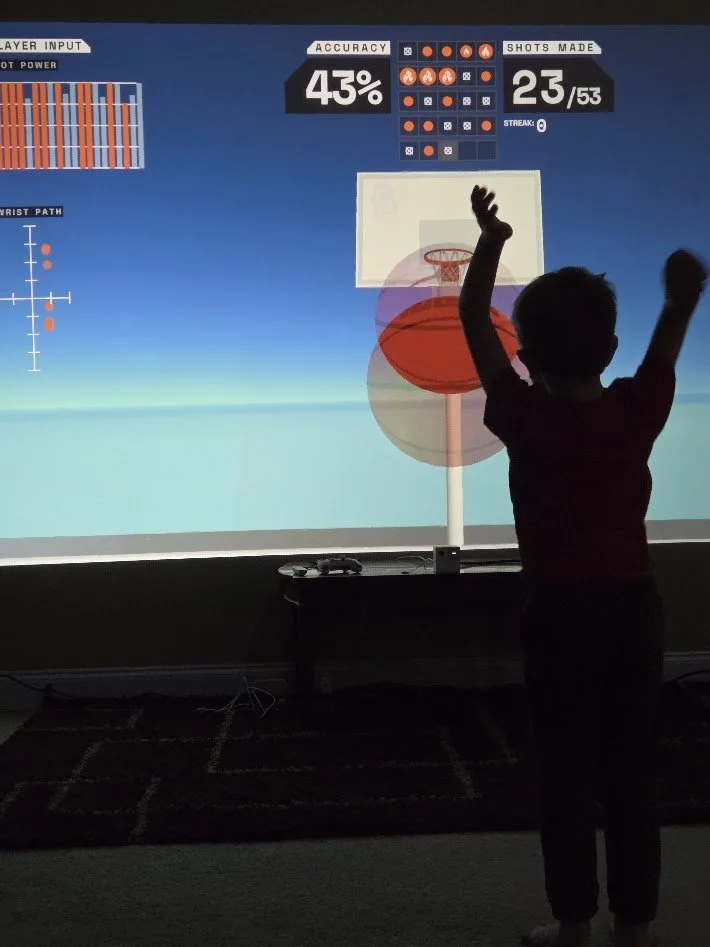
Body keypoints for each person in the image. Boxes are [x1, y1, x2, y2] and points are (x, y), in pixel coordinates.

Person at [458, 185, 708, 947]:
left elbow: (472, 318)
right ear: (608, 349)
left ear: (526, 354)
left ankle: (573, 926)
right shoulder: (637, 410)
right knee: (632, 773)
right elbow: (665, 342)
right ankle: (634, 928)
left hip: (558, 615)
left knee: (563, 774)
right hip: (634, 611)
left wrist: (492, 239)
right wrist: (681, 297)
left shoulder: (522, 413)